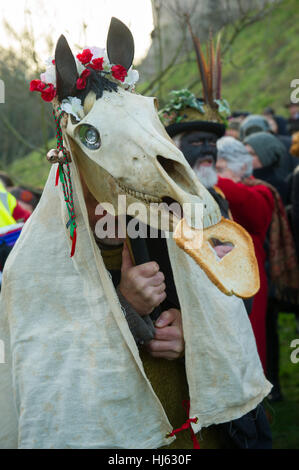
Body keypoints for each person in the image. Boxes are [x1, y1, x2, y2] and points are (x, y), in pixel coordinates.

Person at [0, 18, 272, 449]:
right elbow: (51, 372)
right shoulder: (33, 266)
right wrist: (127, 308)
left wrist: (192, 332)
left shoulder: (172, 221)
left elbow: (235, 301)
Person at [215, 136, 274, 372]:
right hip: (223, 279)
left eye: (220, 167)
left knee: (251, 343)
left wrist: (205, 173)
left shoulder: (260, 192)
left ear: (240, 166)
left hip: (251, 281)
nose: (216, 174)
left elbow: (247, 204)